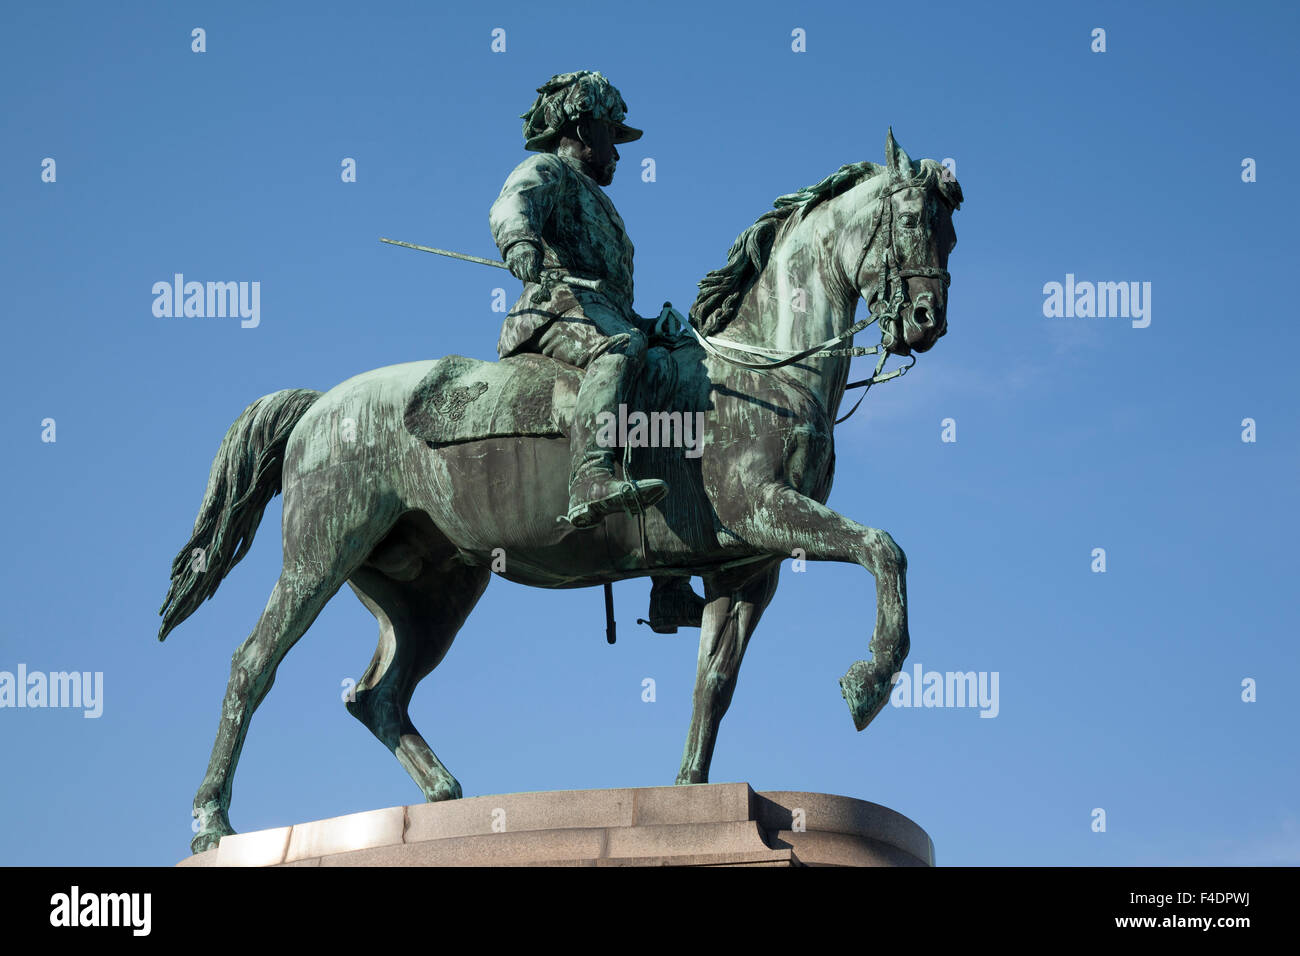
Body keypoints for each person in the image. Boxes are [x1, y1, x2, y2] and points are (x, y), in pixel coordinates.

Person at [490, 70, 702, 632]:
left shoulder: (605, 205)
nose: (618, 151)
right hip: (554, 308)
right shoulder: (549, 170)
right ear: (583, 128)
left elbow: (613, 295)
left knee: (669, 369)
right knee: (621, 348)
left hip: (603, 310)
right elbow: (512, 205)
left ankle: (670, 582)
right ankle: (590, 476)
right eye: (612, 135)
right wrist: (521, 243)